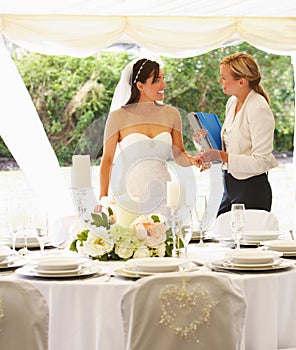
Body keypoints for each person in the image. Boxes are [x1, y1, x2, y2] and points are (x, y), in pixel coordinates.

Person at [99, 58, 200, 217]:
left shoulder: (172, 114)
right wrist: (103, 199)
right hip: (130, 195)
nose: (164, 85)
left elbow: (179, 154)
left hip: (164, 195)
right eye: (157, 80)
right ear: (140, 86)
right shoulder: (118, 117)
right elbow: (107, 160)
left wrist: (193, 160)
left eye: (163, 79)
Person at [199, 52, 278, 216]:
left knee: (239, 239)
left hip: (252, 190)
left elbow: (261, 162)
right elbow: (230, 146)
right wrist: (204, 142)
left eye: (224, 77)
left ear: (242, 81)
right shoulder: (232, 102)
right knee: (220, 235)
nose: (220, 81)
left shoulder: (258, 108)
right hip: (230, 185)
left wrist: (221, 155)